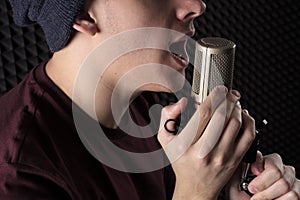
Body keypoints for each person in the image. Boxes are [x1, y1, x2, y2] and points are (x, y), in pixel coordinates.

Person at [0, 0, 299, 199]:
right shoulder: (18, 174)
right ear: (83, 15)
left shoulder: (146, 112)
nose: (195, 5)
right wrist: (195, 192)